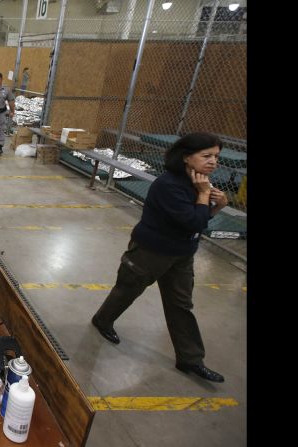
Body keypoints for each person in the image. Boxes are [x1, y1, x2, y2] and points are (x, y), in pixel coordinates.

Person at [90, 132, 229, 383]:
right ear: (187, 157)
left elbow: (200, 220)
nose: (212, 162)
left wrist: (217, 204)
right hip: (150, 251)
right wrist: (204, 196)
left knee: (181, 305)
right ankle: (103, 320)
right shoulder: (170, 185)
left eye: (216, 157)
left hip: (182, 256)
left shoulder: (198, 183)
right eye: (206, 156)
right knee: (127, 290)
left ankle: (190, 359)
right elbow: (193, 221)